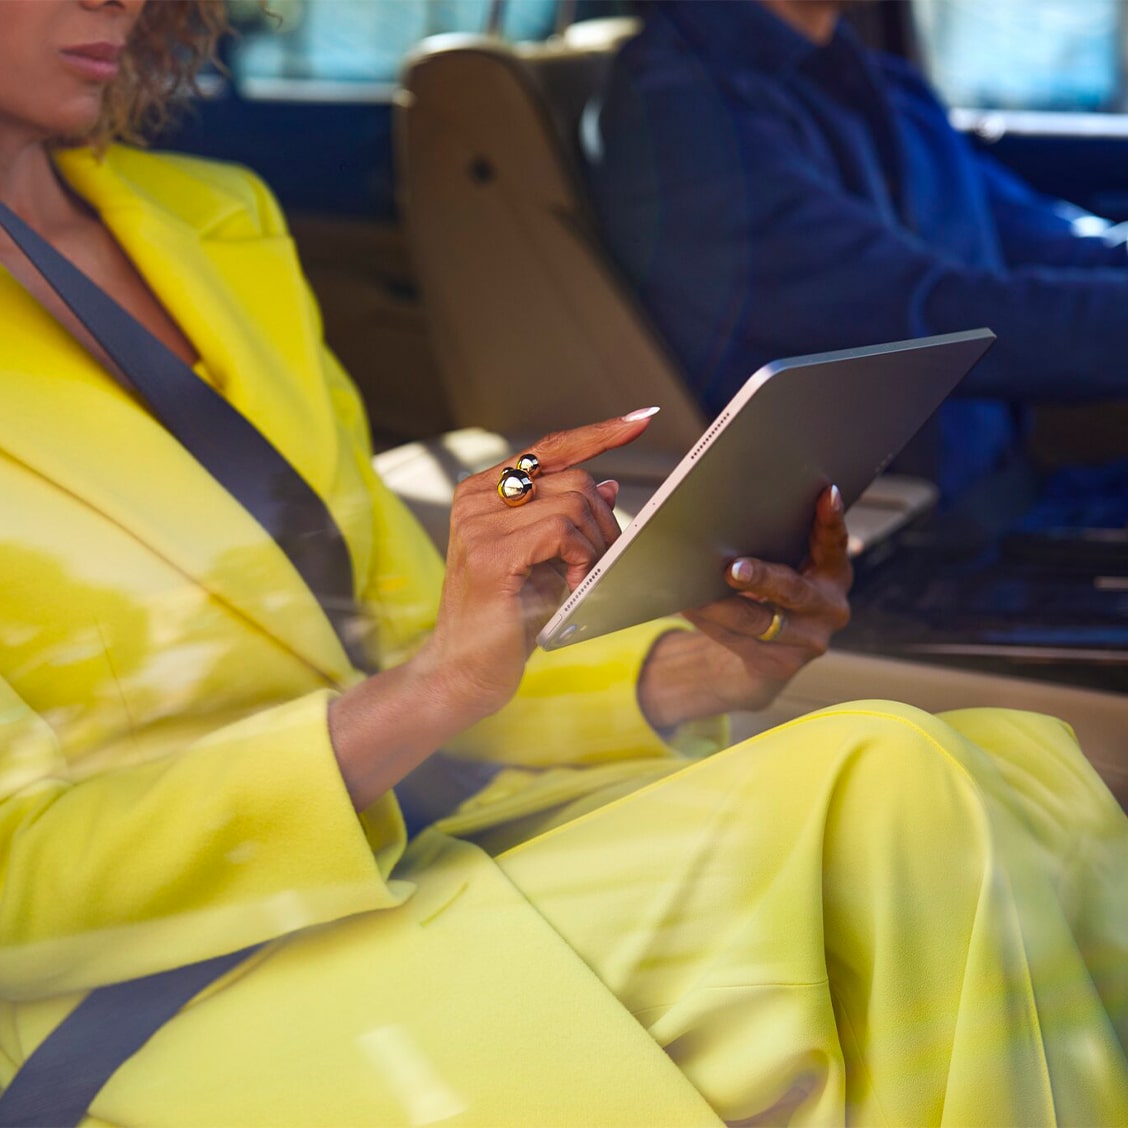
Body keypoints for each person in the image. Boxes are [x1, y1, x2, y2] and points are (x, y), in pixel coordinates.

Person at [1, 2, 1126, 1124]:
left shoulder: (213, 220)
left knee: (1018, 769)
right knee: (899, 789)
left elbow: (394, 633)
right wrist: (427, 693)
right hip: (140, 983)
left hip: (408, 846)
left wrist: (682, 677)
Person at [584, 0, 1128, 510]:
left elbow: (1045, 240)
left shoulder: (880, 81)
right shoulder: (684, 114)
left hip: (1011, 491)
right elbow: (919, 319)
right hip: (899, 546)